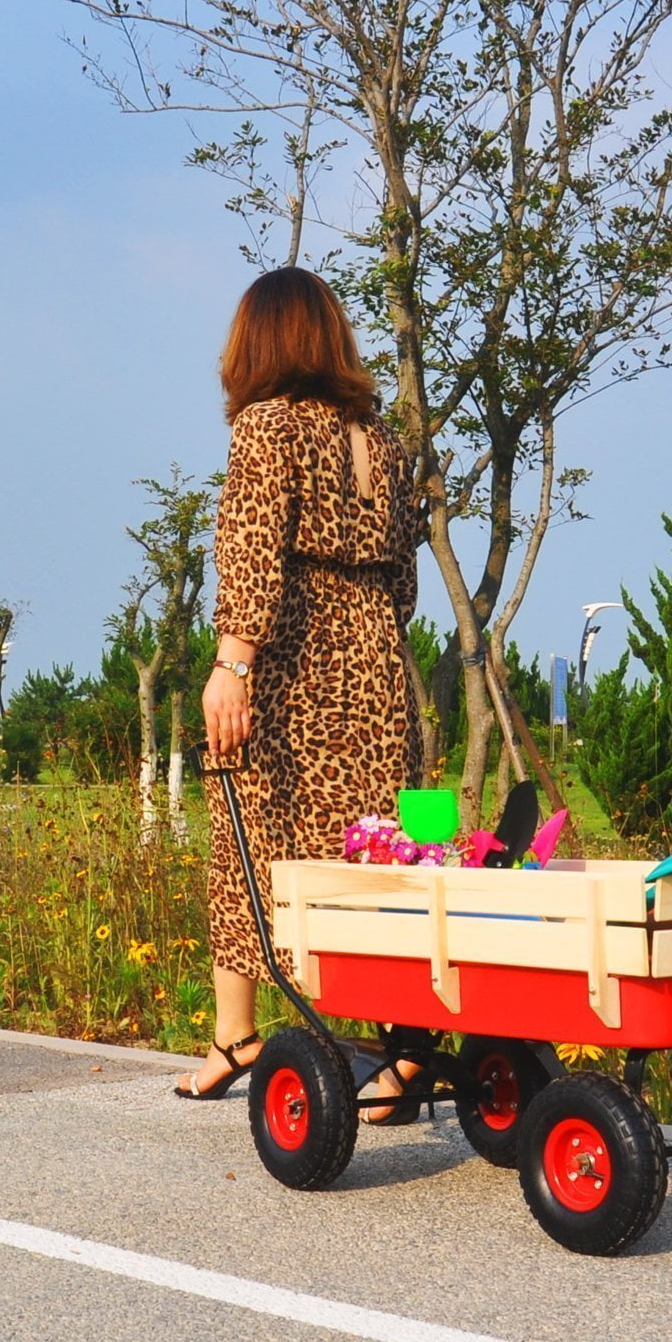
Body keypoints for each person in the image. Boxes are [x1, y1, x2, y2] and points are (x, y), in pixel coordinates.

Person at [176, 267, 424, 1110]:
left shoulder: (266, 426)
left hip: (289, 663)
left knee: (248, 843)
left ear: (261, 340)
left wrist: (233, 662)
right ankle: (401, 1057)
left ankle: (235, 1037)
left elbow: (250, 545)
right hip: (379, 666)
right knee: (378, 858)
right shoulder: (383, 441)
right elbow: (406, 579)